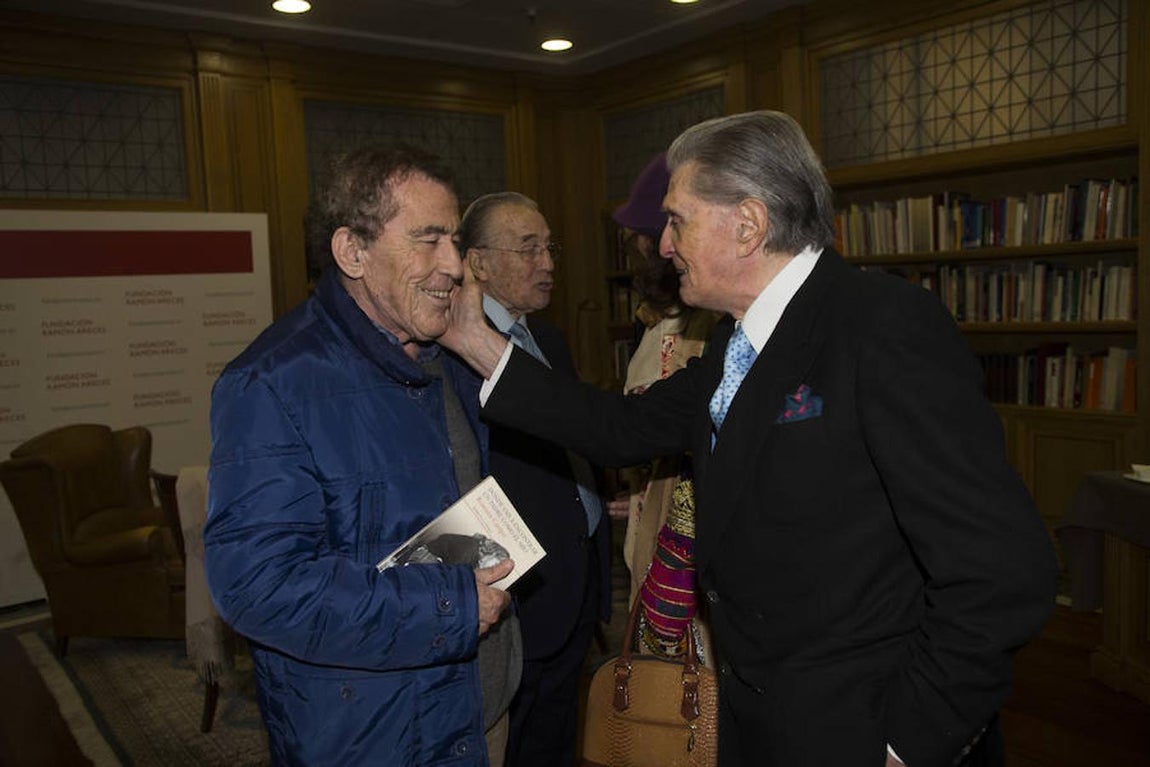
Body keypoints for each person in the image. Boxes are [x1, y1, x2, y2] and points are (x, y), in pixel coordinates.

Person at [441, 111, 1059, 767]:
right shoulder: (740, 344)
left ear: (749, 224)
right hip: (761, 719)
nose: (666, 244)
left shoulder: (881, 327)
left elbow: (1002, 572)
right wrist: (473, 337)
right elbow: (617, 427)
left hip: (862, 725)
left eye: (678, 220)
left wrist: (905, 743)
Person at [204, 144, 520, 767]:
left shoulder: (447, 355)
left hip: (482, 712)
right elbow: (259, 587)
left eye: (454, 240)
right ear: (352, 251)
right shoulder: (272, 383)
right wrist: (450, 605)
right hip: (375, 736)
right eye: (428, 240)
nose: (454, 265)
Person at [458, 192, 611, 767]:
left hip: (575, 585)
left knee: (557, 742)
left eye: (550, 248)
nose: (548, 263)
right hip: (515, 601)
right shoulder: (453, 353)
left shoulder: (549, 340)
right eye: (529, 249)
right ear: (477, 264)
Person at [606, 152, 719, 662]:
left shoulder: (709, 328)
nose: (638, 250)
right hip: (650, 531)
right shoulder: (657, 323)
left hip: (686, 553)